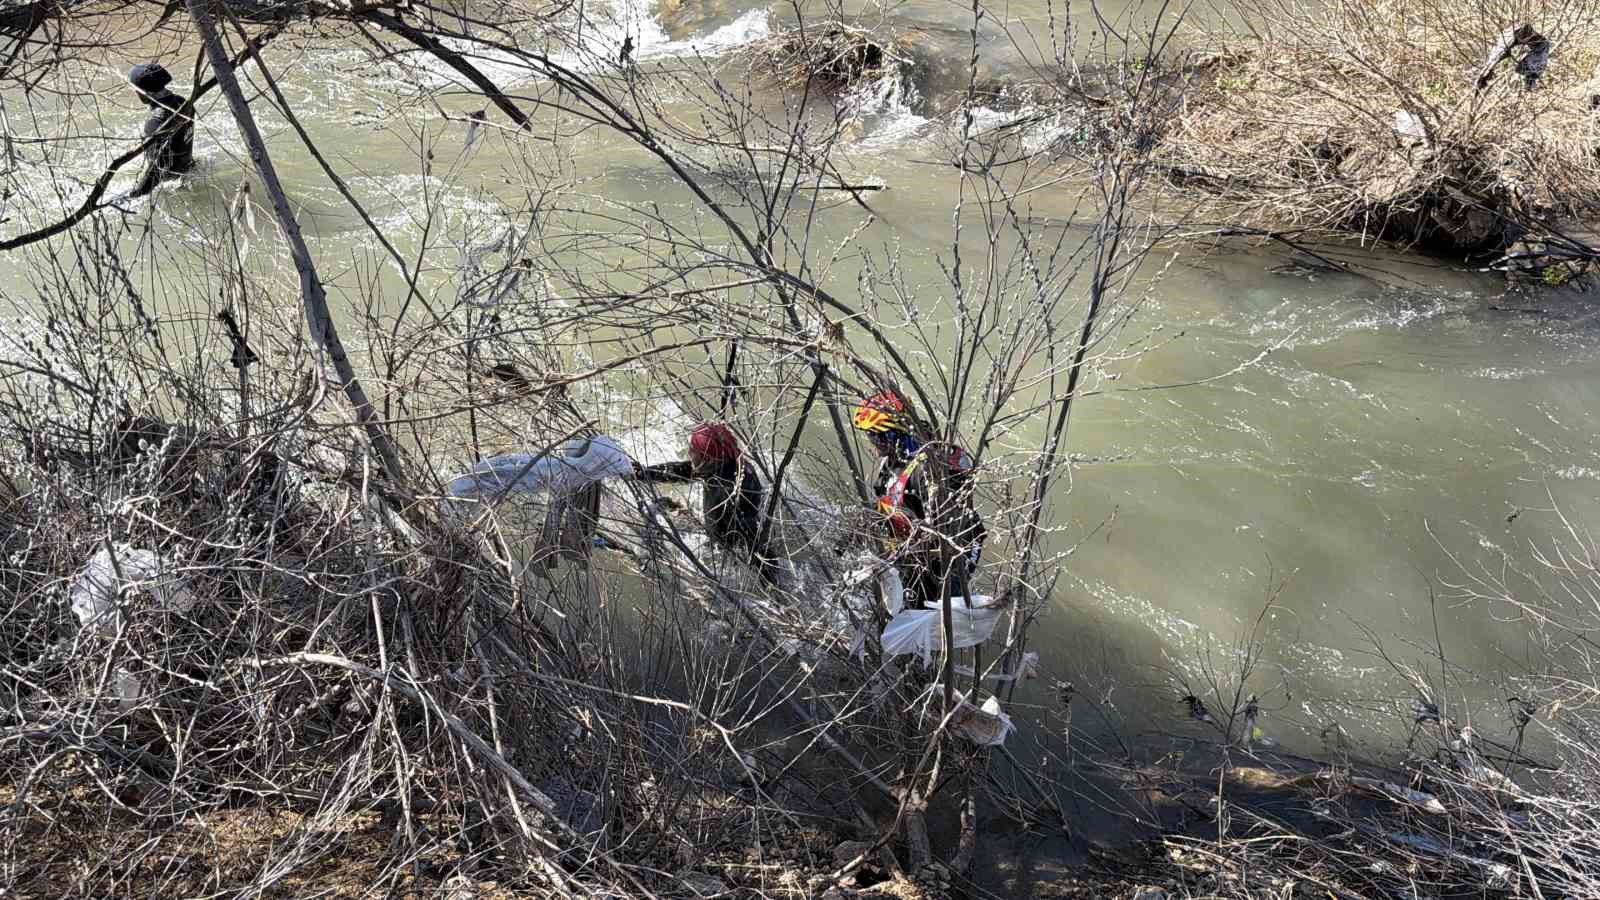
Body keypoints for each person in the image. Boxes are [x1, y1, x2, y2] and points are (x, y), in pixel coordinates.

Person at [852, 391, 985, 609]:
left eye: (877, 437)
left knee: (925, 619)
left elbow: (949, 534)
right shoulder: (895, 459)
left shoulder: (927, 471)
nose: (873, 443)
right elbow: (886, 502)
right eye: (870, 436)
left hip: (942, 565)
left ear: (897, 434)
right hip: (910, 555)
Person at [636, 422, 781, 586]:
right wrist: (642, 473)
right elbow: (683, 471)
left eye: (693, 450)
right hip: (722, 528)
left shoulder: (728, 492)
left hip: (724, 552)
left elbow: (754, 539)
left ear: (709, 458)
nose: (689, 453)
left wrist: (773, 585)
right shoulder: (727, 461)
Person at [128, 62, 194, 198]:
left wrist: (136, 194)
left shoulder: (155, 123)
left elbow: (158, 169)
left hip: (172, 191)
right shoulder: (184, 103)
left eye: (135, 89)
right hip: (189, 170)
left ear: (144, 93)